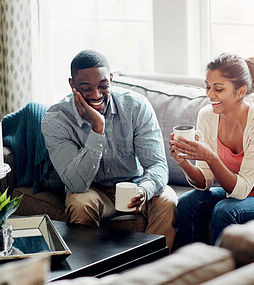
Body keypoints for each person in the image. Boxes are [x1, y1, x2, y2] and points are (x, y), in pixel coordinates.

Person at [41, 49, 178, 251]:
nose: (96, 95)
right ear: (72, 85)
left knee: (167, 200)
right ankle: (90, 275)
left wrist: (144, 190)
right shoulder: (57, 119)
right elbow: (76, 184)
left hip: (134, 185)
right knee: (80, 204)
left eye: (103, 86)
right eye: (86, 88)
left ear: (111, 79)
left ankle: (155, 270)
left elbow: (157, 165)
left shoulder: (135, 106)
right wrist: (98, 128)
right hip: (92, 189)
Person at [169, 53, 254, 248]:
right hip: (237, 194)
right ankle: (192, 269)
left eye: (218, 89)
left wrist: (210, 156)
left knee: (225, 210)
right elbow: (204, 182)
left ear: (240, 91)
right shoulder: (207, 116)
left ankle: (222, 274)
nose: (209, 94)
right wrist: (184, 162)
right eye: (207, 86)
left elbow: (240, 190)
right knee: (188, 203)